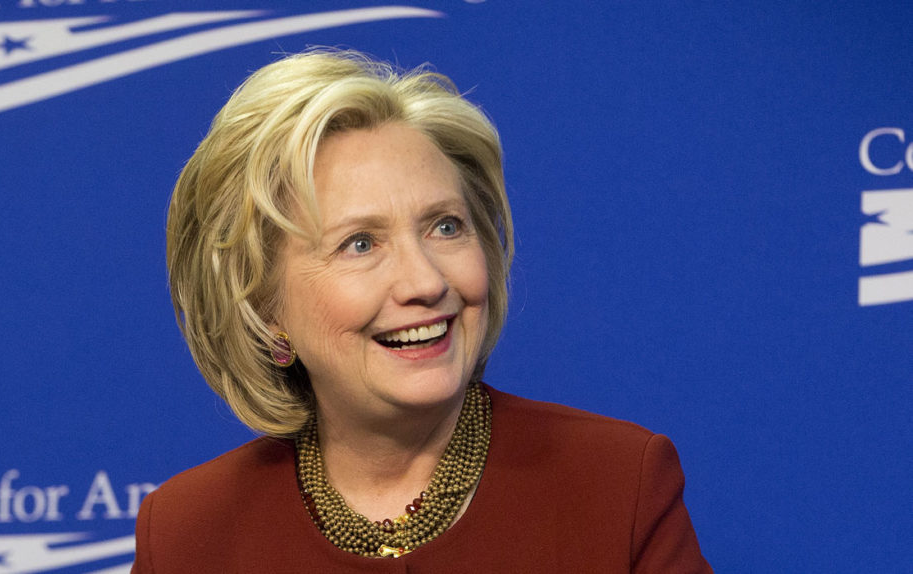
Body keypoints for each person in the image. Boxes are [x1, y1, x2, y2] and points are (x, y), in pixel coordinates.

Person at [132, 49, 711, 573]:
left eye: (445, 227)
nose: (426, 281)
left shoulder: (617, 485)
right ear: (263, 306)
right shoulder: (187, 534)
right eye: (361, 243)